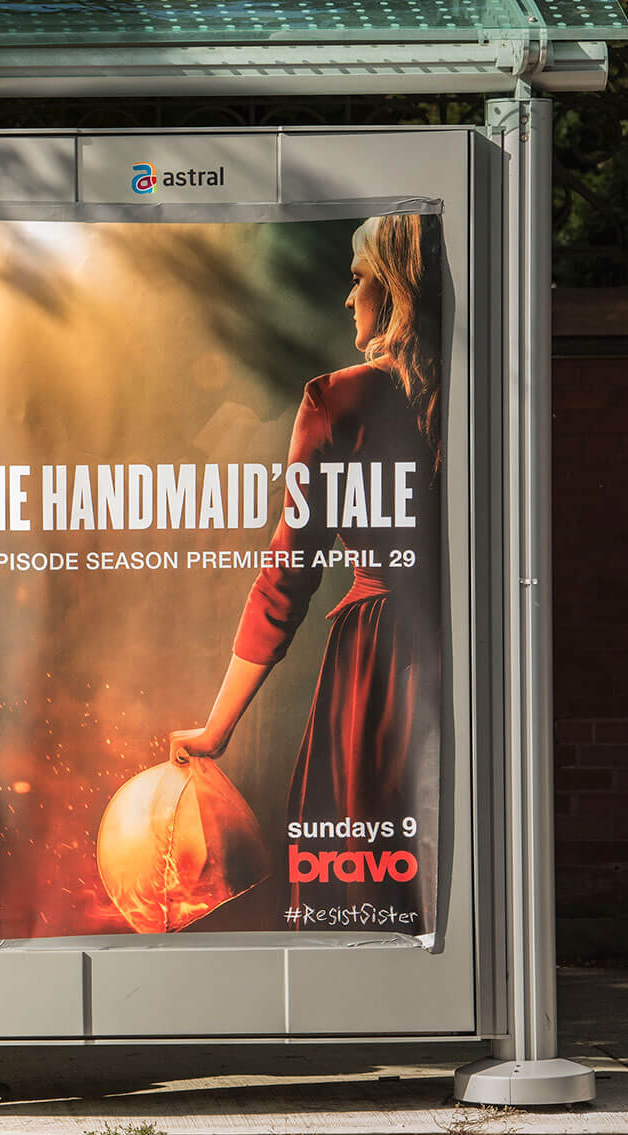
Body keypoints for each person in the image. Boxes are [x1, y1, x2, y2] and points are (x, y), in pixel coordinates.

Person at [170, 212, 444, 931]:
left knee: (363, 871)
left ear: (393, 288)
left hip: (378, 662)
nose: (348, 298)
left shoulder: (338, 400)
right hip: (469, 644)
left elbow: (287, 573)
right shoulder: (482, 397)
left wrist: (217, 728)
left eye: (358, 280)